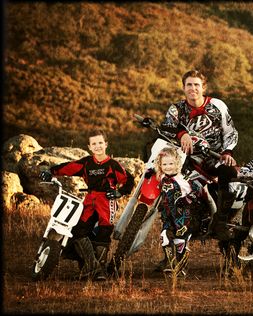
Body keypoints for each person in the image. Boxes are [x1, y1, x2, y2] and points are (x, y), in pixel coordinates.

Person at [153, 69, 239, 241]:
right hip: (184, 161)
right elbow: (167, 127)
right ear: (184, 87)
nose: (193, 88)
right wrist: (181, 134)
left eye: (197, 85)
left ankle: (220, 222)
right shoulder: (176, 109)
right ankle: (171, 243)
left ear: (203, 87)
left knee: (229, 173)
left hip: (214, 158)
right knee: (171, 191)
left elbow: (230, 132)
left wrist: (227, 152)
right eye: (189, 85)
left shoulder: (218, 106)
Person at [39, 130, 134, 281]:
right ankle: (93, 268)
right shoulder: (86, 163)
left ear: (106, 144)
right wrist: (50, 171)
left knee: (104, 232)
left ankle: (98, 271)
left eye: (100, 143)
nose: (98, 146)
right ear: (89, 147)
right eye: (94, 144)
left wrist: (119, 192)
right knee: (77, 232)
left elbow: (129, 179)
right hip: (89, 201)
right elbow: (69, 167)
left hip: (106, 202)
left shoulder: (113, 165)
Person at [153, 147, 205, 275]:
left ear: (177, 163)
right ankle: (171, 264)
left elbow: (198, 191)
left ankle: (181, 267)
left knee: (180, 242)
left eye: (171, 163)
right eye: (164, 164)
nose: (168, 167)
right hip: (168, 216)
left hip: (183, 217)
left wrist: (187, 199)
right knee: (165, 236)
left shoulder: (183, 180)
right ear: (160, 165)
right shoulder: (163, 177)